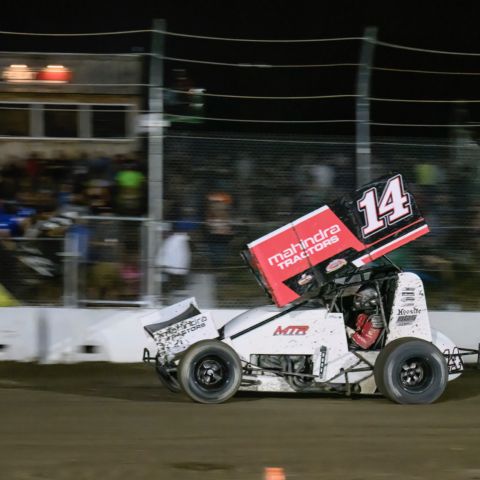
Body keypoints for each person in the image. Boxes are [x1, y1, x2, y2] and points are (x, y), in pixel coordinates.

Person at [155, 222, 192, 304]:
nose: (162, 234)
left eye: (164, 232)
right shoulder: (169, 241)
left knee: (170, 281)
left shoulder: (175, 240)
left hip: (173, 268)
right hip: (172, 268)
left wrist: (161, 264)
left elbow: (179, 255)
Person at [347, 285, 385, 350]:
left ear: (368, 300)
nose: (356, 300)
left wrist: (350, 332)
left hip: (357, 351)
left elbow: (365, 344)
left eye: (359, 298)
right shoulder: (362, 315)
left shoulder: (375, 319)